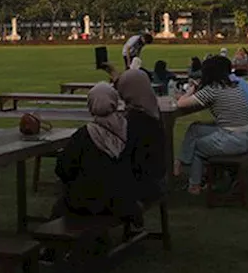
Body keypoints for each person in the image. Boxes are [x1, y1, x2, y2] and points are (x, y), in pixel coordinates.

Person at [53, 84, 137, 219]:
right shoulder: (130, 128)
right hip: (125, 199)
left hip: (93, 203)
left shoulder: (84, 135)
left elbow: (63, 169)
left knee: (60, 206)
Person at [174, 56, 248, 194]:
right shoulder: (232, 86)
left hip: (233, 140)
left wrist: (190, 91)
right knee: (195, 128)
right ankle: (181, 161)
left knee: (197, 146)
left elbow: (181, 103)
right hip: (245, 136)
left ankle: (194, 185)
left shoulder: (212, 89)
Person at [114, 69, 166, 210]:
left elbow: (127, 159)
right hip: (154, 181)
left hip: (138, 186)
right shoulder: (153, 114)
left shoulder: (134, 121)